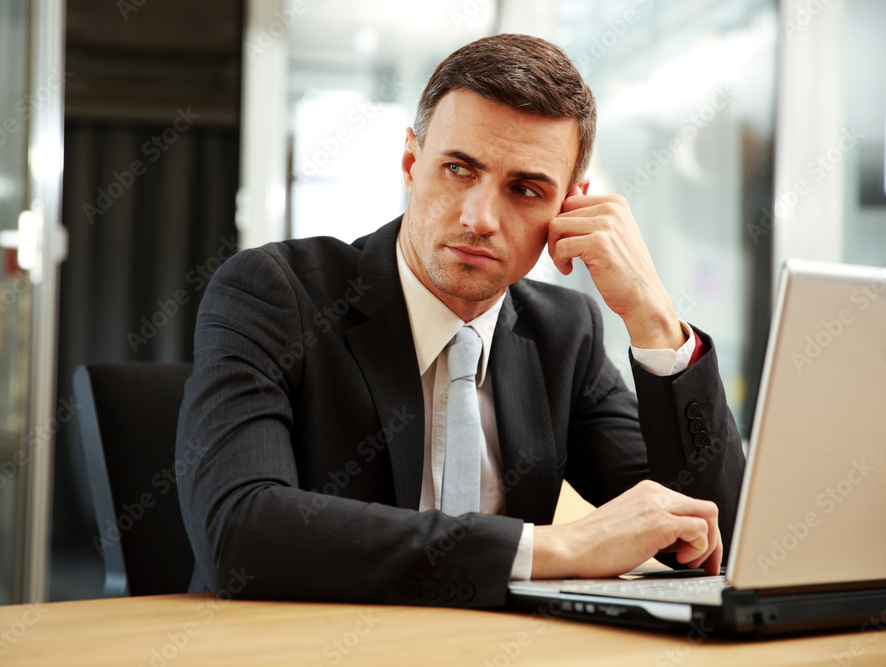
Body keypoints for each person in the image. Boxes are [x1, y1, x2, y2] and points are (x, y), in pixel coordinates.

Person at [176, 33, 745, 608]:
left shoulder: (564, 333)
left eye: (524, 189)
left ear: (569, 208)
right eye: (458, 169)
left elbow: (703, 533)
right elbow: (240, 530)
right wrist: (551, 550)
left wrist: (651, 314)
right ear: (410, 164)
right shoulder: (276, 293)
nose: (480, 218)